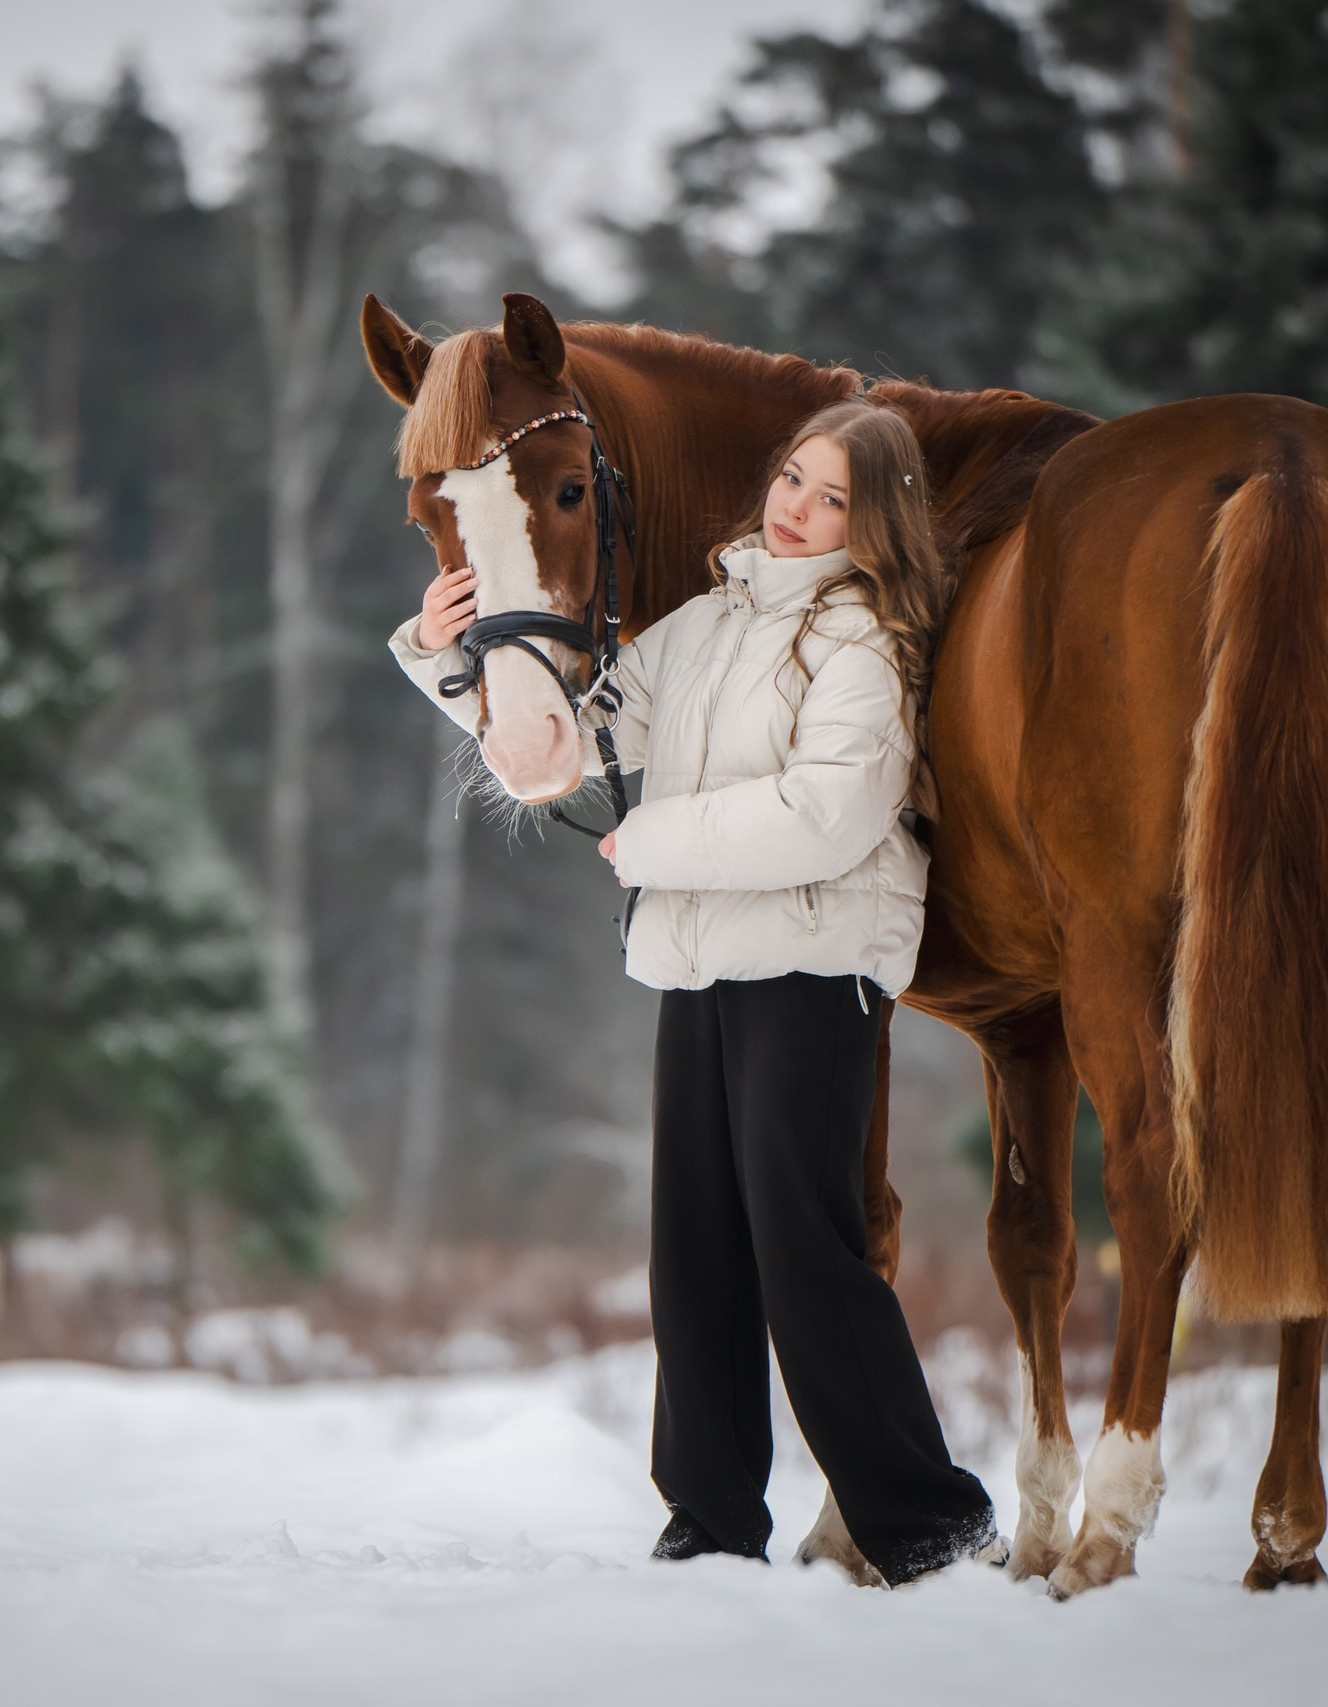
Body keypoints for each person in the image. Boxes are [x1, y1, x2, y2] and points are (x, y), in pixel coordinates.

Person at [388, 399, 997, 1587]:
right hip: (700, 967)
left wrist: (655, 842)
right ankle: (710, 1516)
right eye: (791, 478)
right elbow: (570, 746)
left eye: (832, 497)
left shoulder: (864, 643)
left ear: (874, 523)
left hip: (814, 970)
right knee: (697, 1253)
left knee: (802, 1251)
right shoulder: (709, 626)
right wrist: (443, 654)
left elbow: (830, 816)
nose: (797, 508)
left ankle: (928, 1520)